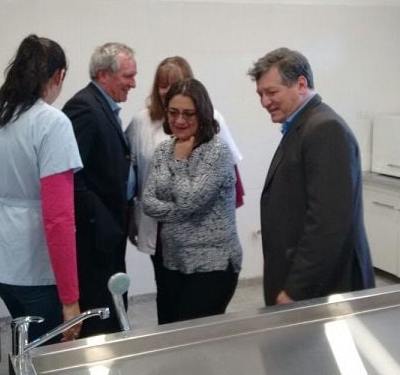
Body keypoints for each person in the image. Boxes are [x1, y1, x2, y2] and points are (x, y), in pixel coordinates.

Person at [0, 34, 82, 343]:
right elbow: (58, 218)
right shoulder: (52, 123)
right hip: (31, 263)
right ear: (59, 76)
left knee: (24, 342)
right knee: (47, 352)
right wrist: (70, 299)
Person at [248, 47, 374, 306]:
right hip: (310, 284)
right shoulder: (303, 125)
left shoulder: (325, 128)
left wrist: (296, 290)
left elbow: (327, 223)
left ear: (301, 84)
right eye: (260, 94)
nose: (264, 102)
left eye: (271, 92)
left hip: (325, 290)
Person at [125, 56, 244, 324]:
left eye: (188, 114)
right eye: (173, 112)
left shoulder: (217, 152)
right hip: (172, 260)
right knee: (170, 331)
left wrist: (179, 163)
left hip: (212, 265)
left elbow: (189, 200)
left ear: (202, 114)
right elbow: (149, 202)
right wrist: (182, 208)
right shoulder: (164, 149)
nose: (179, 120)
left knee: (195, 337)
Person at [62, 42, 137, 336]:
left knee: (115, 303)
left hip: (110, 229)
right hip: (95, 235)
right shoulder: (84, 108)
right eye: (128, 76)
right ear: (103, 74)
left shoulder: (102, 106)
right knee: (101, 312)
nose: (133, 83)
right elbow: (71, 175)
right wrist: (100, 219)